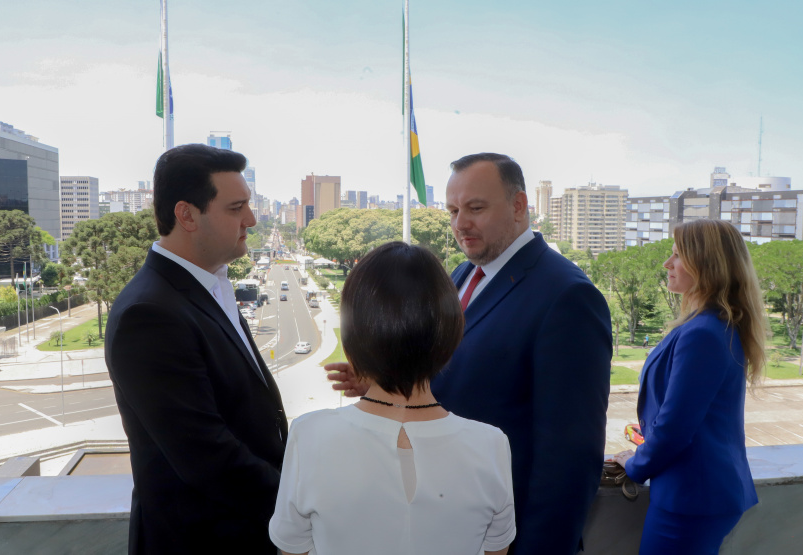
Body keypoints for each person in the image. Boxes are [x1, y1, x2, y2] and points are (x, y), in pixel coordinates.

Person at [328, 153, 612, 554]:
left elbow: (570, 457)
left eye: (475, 208)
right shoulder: (462, 274)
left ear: (519, 206)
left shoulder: (568, 296)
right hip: (444, 521)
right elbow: (450, 375)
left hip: (509, 534)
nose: (461, 224)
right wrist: (384, 382)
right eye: (453, 210)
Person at [272, 242, 515, 555]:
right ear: (449, 336)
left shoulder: (309, 437)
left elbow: (293, 549)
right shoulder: (491, 446)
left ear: (352, 339)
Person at [105, 144, 287, 555]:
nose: (251, 220)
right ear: (186, 215)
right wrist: (302, 503)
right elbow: (207, 457)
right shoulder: (149, 314)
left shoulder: (210, 286)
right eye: (236, 207)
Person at [613, 219, 766, 554]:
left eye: (677, 255)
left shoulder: (703, 333)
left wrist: (636, 464)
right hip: (702, 491)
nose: (667, 264)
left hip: (692, 498)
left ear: (706, 265)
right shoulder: (712, 325)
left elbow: (676, 426)